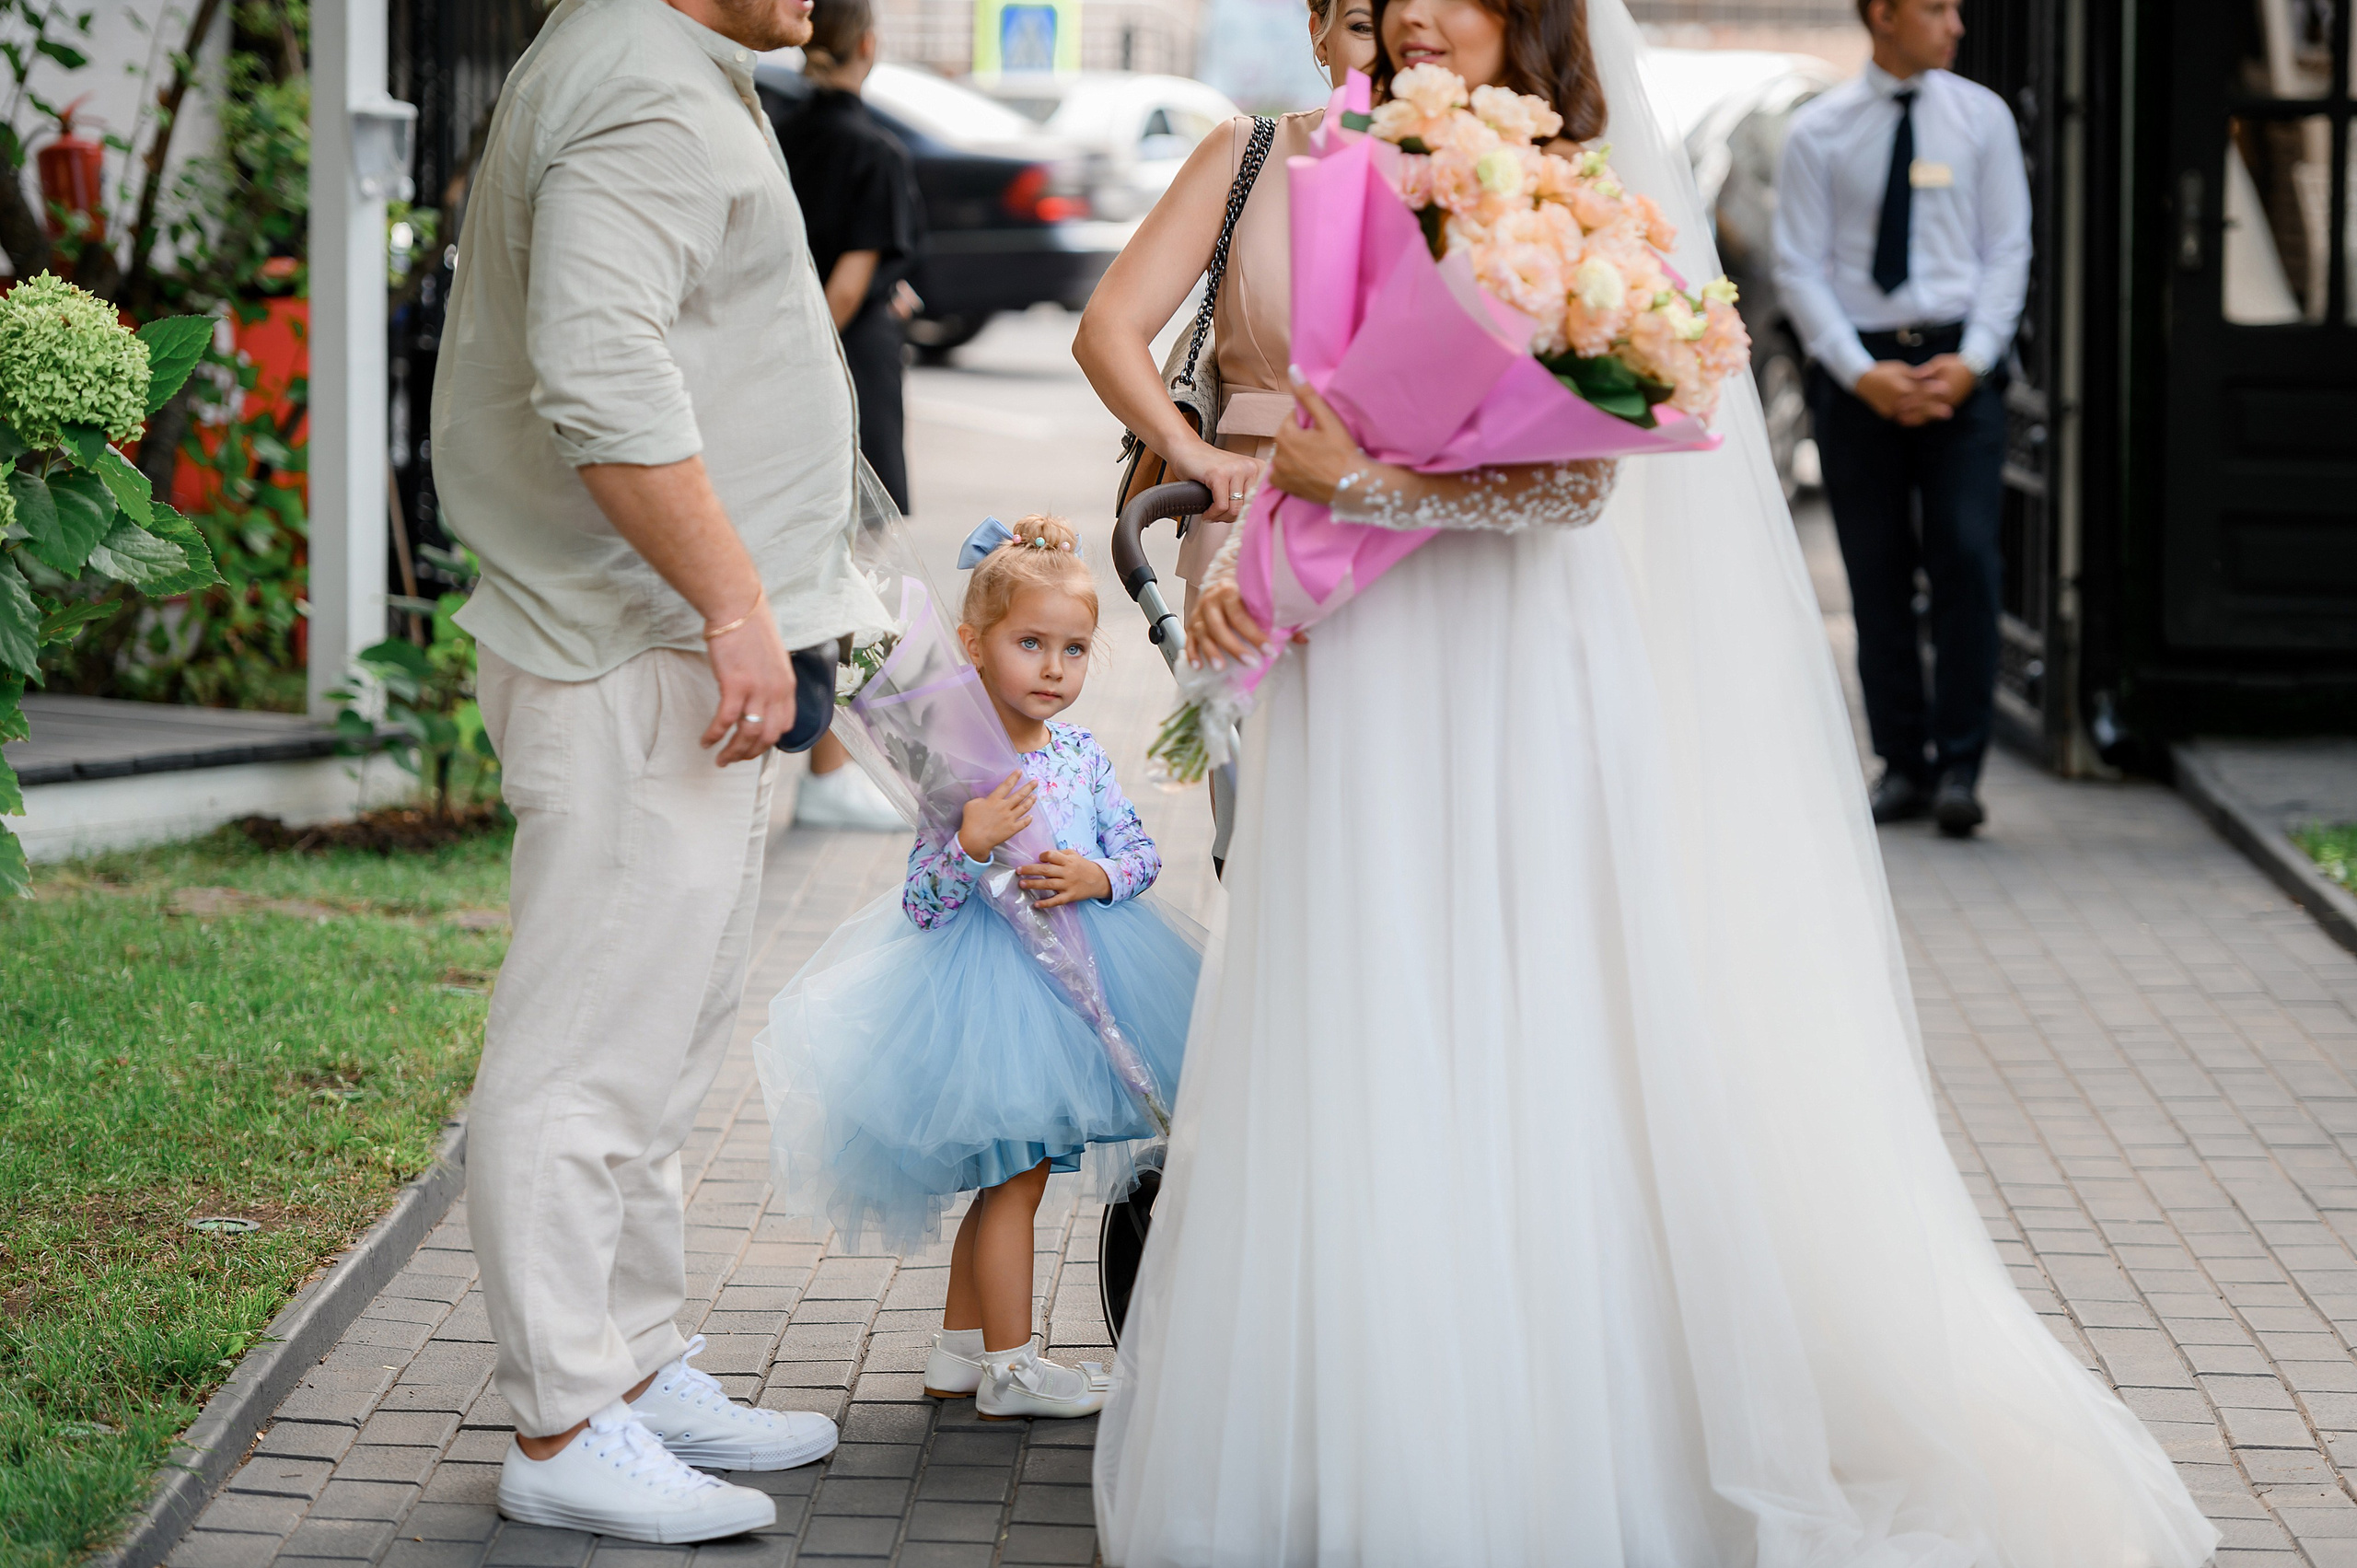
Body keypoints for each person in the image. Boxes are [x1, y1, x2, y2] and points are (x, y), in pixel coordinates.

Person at [1091, 0, 2220, 1561]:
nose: (1419, 10)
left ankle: (1561, 1424)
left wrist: (1350, 480)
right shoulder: (1333, 166)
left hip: (1515, 652)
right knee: (1365, 992)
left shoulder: (1581, 195)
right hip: (1360, 668)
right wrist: (1297, 504)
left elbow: (1571, 482)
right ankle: (1364, 1413)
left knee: (1539, 1007)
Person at [429, 0, 889, 1542]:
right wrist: (734, 599)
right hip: (631, 646)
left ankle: (630, 1363)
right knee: (589, 1044)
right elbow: (599, 370)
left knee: (664, 1024)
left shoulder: (662, 63)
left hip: (667, 642)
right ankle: (562, 1417)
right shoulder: (638, 83)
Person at [753, 514, 1202, 1422]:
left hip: (1078, 978)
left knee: (1013, 1177)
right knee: (1018, 1177)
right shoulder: (957, 771)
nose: (1052, 667)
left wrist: (1099, 875)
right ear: (972, 646)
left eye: (1073, 649)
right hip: (989, 1002)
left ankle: (959, 1350)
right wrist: (966, 838)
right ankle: (1012, 1364)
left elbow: (1140, 852)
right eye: (1029, 642)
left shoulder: (1079, 754)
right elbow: (923, 902)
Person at [1773, 0, 2030, 838]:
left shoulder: (1981, 119)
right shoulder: (1818, 132)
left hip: (1962, 365)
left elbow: (2008, 249)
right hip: (1861, 377)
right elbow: (1798, 267)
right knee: (1875, 572)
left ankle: (1961, 764)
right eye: (1935, 8)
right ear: (1883, 15)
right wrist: (1859, 373)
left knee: (1965, 556)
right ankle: (1902, 764)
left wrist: (1976, 360)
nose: (1955, 24)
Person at [1073, 0, 1377, 611]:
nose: (1389, 50)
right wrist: (1188, 450)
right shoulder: (1247, 152)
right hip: (1252, 522)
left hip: (1422, 535)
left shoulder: (1485, 182)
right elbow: (1107, 327)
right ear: (1319, 33)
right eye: (1363, 26)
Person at [769, 0, 931, 832]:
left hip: (771, 375)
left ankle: (827, 767)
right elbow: (843, 289)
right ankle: (832, 770)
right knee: (853, 579)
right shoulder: (875, 151)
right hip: (846, 383)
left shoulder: (772, 135)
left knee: (810, 565)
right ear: (868, 44)